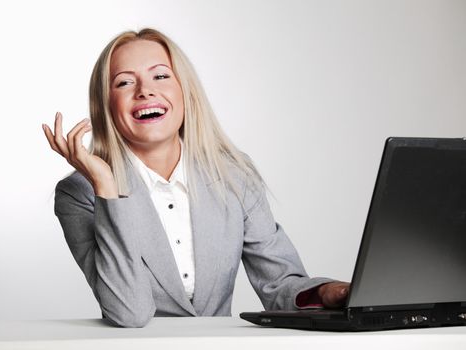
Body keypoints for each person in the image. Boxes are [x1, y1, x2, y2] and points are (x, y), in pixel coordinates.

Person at [42, 28, 349, 328]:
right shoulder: (79, 193)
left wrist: (327, 292)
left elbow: (278, 284)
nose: (145, 91)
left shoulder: (235, 176)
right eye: (124, 82)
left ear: (185, 90)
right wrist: (106, 189)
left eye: (160, 76)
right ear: (107, 104)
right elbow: (129, 312)